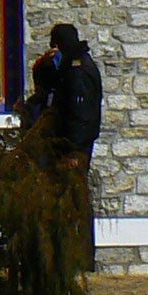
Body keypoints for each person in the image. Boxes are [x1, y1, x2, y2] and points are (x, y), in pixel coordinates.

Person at [22, 23, 104, 268]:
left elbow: (80, 114)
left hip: (74, 149)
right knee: (66, 201)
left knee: (76, 201)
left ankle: (82, 259)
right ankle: (68, 258)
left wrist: (73, 151)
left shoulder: (78, 71)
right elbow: (49, 93)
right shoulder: (69, 67)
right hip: (68, 146)